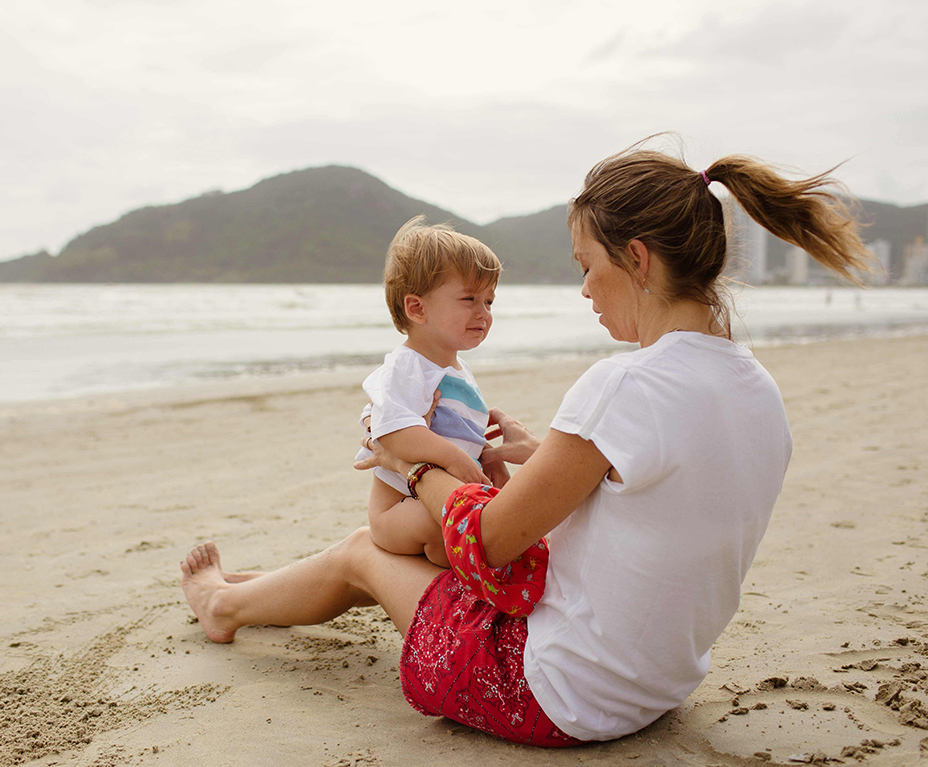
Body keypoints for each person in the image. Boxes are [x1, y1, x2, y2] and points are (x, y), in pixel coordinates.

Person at [180, 140, 873, 746]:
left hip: (555, 695)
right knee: (401, 549)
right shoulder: (758, 389)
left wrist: (412, 463)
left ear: (636, 258)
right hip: (657, 684)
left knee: (368, 548)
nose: (584, 290)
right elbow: (660, 496)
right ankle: (266, 586)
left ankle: (224, 604)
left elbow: (485, 543)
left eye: (586, 265)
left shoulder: (625, 384)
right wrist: (546, 452)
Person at [352, 216, 504, 568]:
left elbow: (462, 433)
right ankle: (443, 566)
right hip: (398, 512)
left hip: (439, 496)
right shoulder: (407, 367)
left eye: (489, 302)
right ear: (417, 308)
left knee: (488, 521)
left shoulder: (457, 370)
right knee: (446, 530)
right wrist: (454, 459)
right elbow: (392, 430)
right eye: (469, 299)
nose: (483, 313)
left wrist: (489, 461)